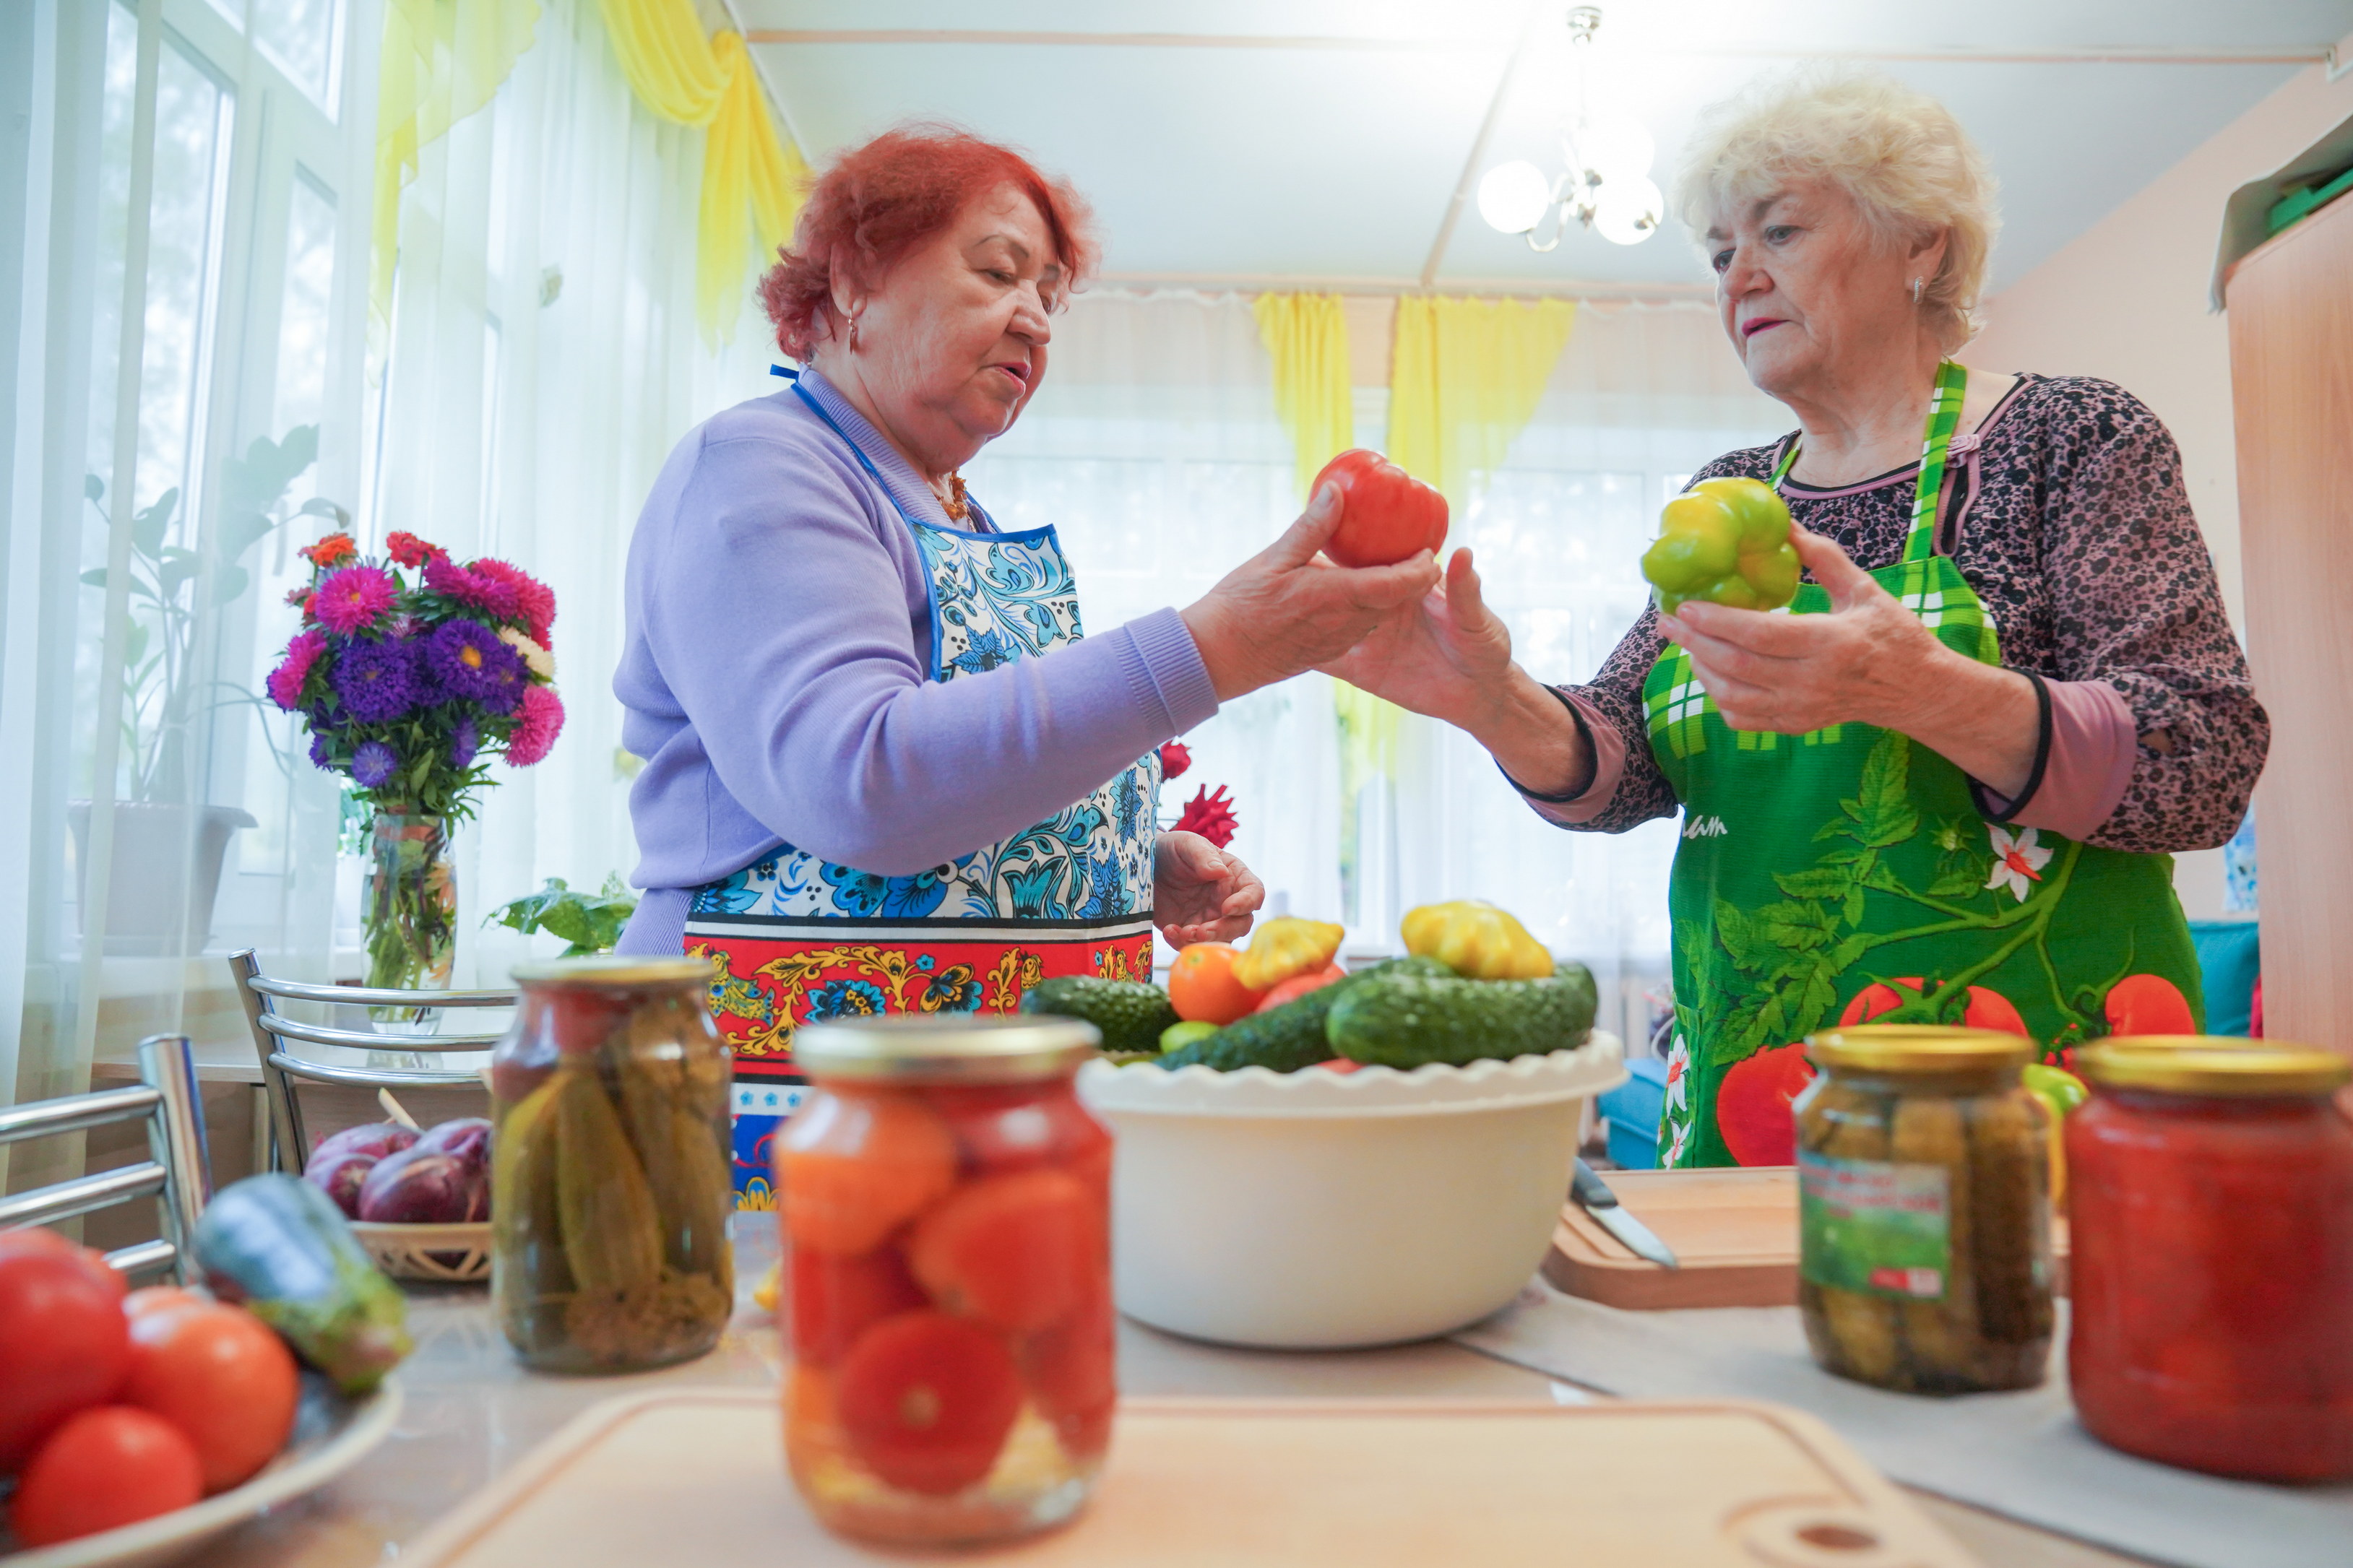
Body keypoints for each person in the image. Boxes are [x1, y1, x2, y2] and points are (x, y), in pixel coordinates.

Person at [1331, 72, 2266, 1169]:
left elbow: (2201, 759)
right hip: (1753, 1098)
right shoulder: (1729, 494)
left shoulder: (2064, 439)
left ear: (1919, 244)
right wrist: (1492, 701)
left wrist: (1924, 691)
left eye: (1778, 231)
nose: (1741, 277)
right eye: (1721, 253)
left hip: (2020, 1101)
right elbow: (1625, 765)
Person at [613, 126, 1437, 1200]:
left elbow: (958, 785)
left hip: (965, 1105)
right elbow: (857, 784)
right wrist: (1214, 648)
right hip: (796, 1105)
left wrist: (1115, 857)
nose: (1037, 319)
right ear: (853, 281)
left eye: (1051, 293)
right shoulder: (762, 464)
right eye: (999, 272)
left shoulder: (952, 508)